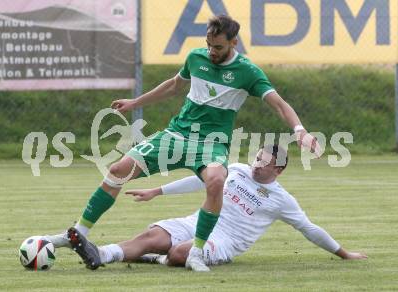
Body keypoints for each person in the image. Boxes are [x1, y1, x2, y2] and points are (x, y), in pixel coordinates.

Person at [48, 14, 321, 272]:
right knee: (119, 170)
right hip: (176, 135)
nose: (212, 51)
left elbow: (278, 104)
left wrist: (300, 131)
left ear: (233, 43)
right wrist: (135, 102)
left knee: (215, 180)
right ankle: (77, 235)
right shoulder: (196, 58)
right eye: (209, 45)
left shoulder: (247, 72)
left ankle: (196, 252)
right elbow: (172, 86)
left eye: (218, 47)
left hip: (211, 144)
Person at [66, 145, 367, 270]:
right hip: (198, 221)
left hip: (223, 241)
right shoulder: (236, 169)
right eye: (257, 158)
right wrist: (156, 191)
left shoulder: (281, 200)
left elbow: (309, 229)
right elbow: (200, 183)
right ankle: (101, 254)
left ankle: (157, 260)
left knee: (181, 252)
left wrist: (344, 253)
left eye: (265, 162)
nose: (257, 164)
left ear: (280, 170)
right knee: (152, 235)